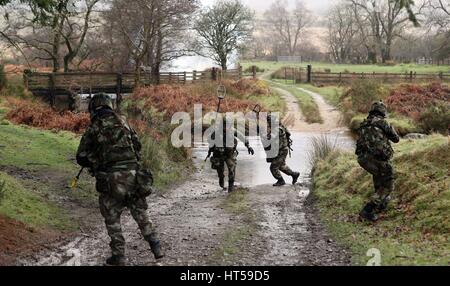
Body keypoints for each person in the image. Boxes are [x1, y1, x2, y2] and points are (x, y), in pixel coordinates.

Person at [76, 93, 163, 266]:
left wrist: (95, 161)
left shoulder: (95, 127)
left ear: (93, 108)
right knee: (140, 212)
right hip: (133, 175)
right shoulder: (124, 122)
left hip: (110, 178)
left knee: (112, 217)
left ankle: (119, 255)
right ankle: (156, 246)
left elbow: (81, 156)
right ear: (109, 105)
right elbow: (137, 146)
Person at [356, 101, 400, 222]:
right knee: (388, 184)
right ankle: (367, 210)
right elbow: (396, 139)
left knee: (379, 176)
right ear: (383, 112)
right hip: (377, 159)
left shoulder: (363, 124)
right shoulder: (382, 123)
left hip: (363, 159)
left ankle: (381, 204)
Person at [208, 117, 255, 193]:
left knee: (232, 169)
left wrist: (248, 146)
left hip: (229, 153)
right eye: (224, 126)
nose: (226, 128)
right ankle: (221, 178)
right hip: (218, 154)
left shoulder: (233, 131)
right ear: (221, 125)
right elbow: (210, 141)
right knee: (219, 170)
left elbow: (242, 137)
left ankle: (231, 186)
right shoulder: (216, 132)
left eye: (227, 126)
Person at [265, 114, 300, 187]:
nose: (268, 123)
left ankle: (281, 181)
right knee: (281, 166)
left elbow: (269, 139)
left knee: (273, 167)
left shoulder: (277, 129)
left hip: (281, 151)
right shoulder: (279, 127)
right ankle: (294, 174)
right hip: (282, 150)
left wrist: (264, 134)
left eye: (269, 122)